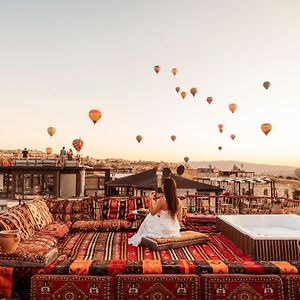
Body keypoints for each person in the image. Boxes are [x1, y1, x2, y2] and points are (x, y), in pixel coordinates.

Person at [128, 177, 182, 247]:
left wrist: (150, 199)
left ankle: (142, 235)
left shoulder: (162, 200)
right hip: (174, 231)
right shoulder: (179, 201)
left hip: (163, 230)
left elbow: (153, 213)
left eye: (162, 186)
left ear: (165, 188)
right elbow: (180, 219)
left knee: (149, 216)